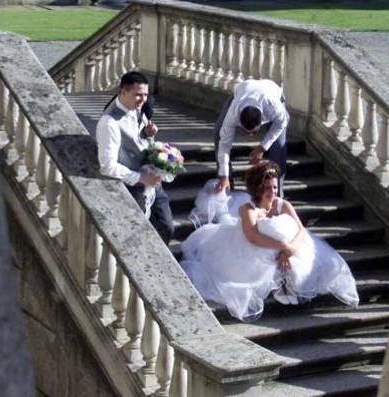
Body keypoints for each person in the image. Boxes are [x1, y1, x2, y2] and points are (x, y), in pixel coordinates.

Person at [180, 161, 359, 322]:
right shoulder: (247, 208)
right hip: (249, 246)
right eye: (267, 188)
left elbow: (301, 229)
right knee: (266, 242)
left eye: (274, 187)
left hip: (286, 248)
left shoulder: (283, 205)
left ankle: (288, 281)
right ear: (257, 189)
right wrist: (283, 246)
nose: (272, 192)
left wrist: (290, 250)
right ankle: (279, 282)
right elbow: (253, 236)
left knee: (289, 234)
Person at [95, 71, 174, 244]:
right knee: (137, 238)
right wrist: (141, 178)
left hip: (151, 180)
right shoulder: (109, 123)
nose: (143, 99)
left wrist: (147, 134)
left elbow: (139, 142)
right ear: (123, 92)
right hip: (132, 189)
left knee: (166, 226)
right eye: (138, 95)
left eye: (145, 94)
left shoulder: (138, 109)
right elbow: (107, 166)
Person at [213, 79, 289, 195]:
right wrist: (224, 175)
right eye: (245, 131)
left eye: (253, 132)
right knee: (219, 133)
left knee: (278, 146)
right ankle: (226, 182)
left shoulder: (274, 106)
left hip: (272, 92)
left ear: (261, 122)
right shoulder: (233, 113)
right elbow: (224, 144)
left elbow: (282, 123)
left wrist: (262, 147)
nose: (250, 136)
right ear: (239, 121)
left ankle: (276, 193)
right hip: (241, 93)